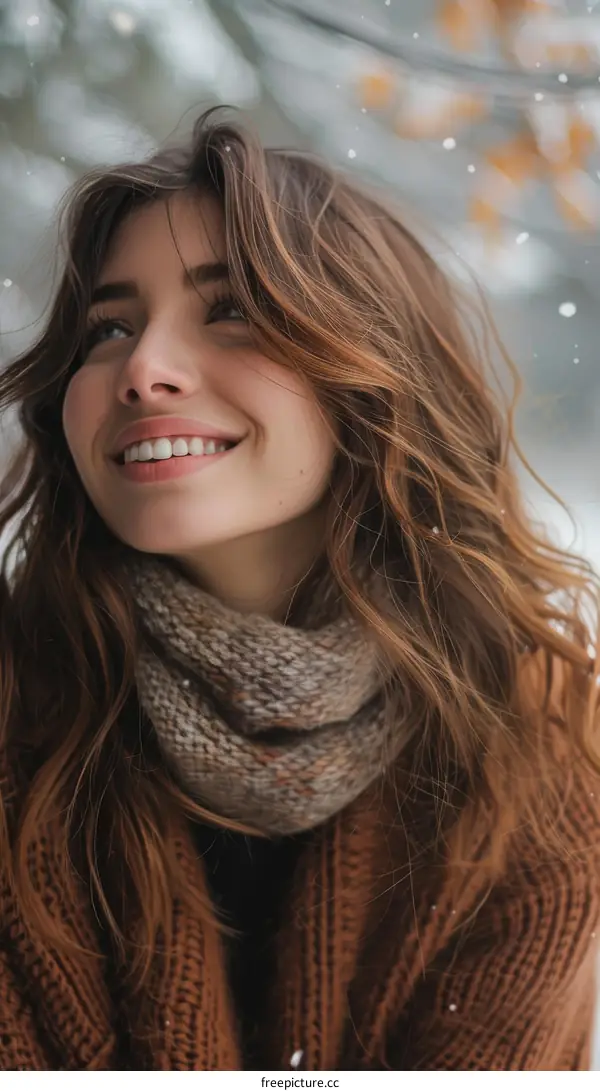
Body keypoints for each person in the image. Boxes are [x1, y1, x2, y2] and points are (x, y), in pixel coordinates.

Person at [0, 105, 598, 1073]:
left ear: (374, 372)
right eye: (108, 327)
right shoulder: (19, 713)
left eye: (229, 307)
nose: (143, 369)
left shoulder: (531, 740)